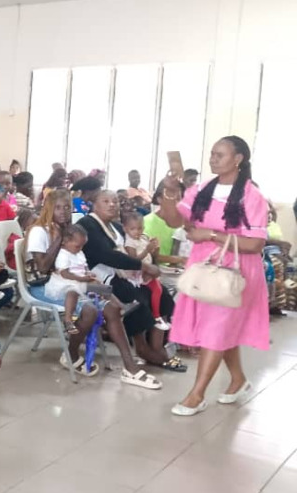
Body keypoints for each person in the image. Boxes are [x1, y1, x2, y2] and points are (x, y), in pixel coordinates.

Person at [156, 135, 269, 416]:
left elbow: (255, 244)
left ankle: (196, 394)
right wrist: (170, 192)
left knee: (216, 330)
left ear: (238, 159)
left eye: (220, 154)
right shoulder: (202, 189)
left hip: (234, 272)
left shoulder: (252, 196)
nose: (213, 159)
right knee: (218, 329)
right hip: (204, 268)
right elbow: (174, 220)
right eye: (212, 154)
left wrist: (212, 235)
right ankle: (239, 379)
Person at [25, 189, 159, 387]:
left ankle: (129, 367)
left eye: (67, 207)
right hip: (45, 286)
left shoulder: (70, 229)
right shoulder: (40, 231)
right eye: (58, 208)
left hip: (71, 282)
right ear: (48, 208)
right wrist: (59, 239)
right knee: (90, 310)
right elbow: (43, 268)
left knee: (112, 307)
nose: (63, 212)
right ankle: (70, 353)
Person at [79, 191, 184, 373]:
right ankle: (141, 347)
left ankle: (157, 346)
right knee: (137, 299)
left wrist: (148, 259)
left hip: (127, 275)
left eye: (115, 201)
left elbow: (131, 251)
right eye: (106, 201)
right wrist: (142, 266)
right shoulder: (87, 224)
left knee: (163, 296)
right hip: (100, 279)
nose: (112, 204)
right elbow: (106, 255)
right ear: (94, 204)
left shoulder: (118, 227)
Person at [121, 211, 171, 331]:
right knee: (157, 289)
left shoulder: (143, 237)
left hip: (148, 270)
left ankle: (159, 316)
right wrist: (147, 251)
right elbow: (134, 261)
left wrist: (154, 246)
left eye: (139, 228)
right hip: (139, 273)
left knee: (159, 290)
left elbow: (153, 255)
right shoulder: (129, 242)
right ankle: (156, 316)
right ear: (125, 229)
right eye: (133, 229)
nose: (137, 232)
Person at [44, 225, 97, 336]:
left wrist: (88, 272)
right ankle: (68, 320)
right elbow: (65, 274)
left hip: (79, 280)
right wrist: (81, 278)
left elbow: (84, 265)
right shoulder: (63, 255)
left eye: (83, 246)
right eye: (78, 246)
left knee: (101, 286)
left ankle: (117, 306)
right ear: (64, 242)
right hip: (64, 283)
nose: (80, 249)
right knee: (72, 293)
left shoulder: (78, 252)